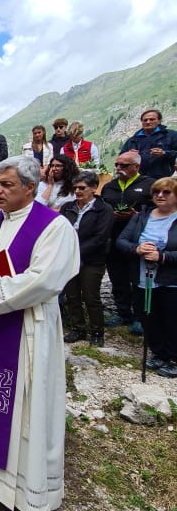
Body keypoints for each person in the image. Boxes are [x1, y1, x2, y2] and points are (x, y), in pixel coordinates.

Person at [0, 156, 79, 511]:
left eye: (6, 184)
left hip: (27, 331)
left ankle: (26, 499)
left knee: (24, 408)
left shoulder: (54, 227)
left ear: (30, 187)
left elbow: (43, 281)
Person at [114, 176, 177, 375]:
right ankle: (158, 352)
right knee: (148, 316)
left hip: (170, 280)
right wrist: (137, 249)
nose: (160, 195)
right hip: (142, 277)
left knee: (171, 319)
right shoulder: (142, 216)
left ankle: (173, 358)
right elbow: (121, 240)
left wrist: (162, 256)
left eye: (166, 192)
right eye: (156, 192)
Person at [101, 151, 154, 334]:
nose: (118, 168)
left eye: (123, 165)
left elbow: (156, 209)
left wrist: (137, 215)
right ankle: (123, 312)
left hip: (137, 240)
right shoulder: (110, 186)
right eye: (117, 164)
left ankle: (140, 316)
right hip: (113, 237)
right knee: (117, 277)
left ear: (136, 166)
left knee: (137, 278)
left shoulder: (149, 184)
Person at [60, 171, 113, 346]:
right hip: (69, 258)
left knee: (91, 296)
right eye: (75, 188)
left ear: (93, 188)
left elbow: (100, 237)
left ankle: (97, 331)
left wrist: (76, 252)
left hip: (92, 260)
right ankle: (78, 329)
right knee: (72, 295)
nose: (77, 191)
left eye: (82, 188)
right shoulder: (67, 207)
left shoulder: (104, 209)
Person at [120, 108, 175, 180]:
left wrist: (164, 153)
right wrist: (128, 155)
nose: (148, 122)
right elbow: (120, 159)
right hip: (137, 180)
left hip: (163, 179)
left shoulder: (172, 135)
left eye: (152, 119)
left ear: (159, 121)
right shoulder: (132, 140)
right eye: (145, 120)